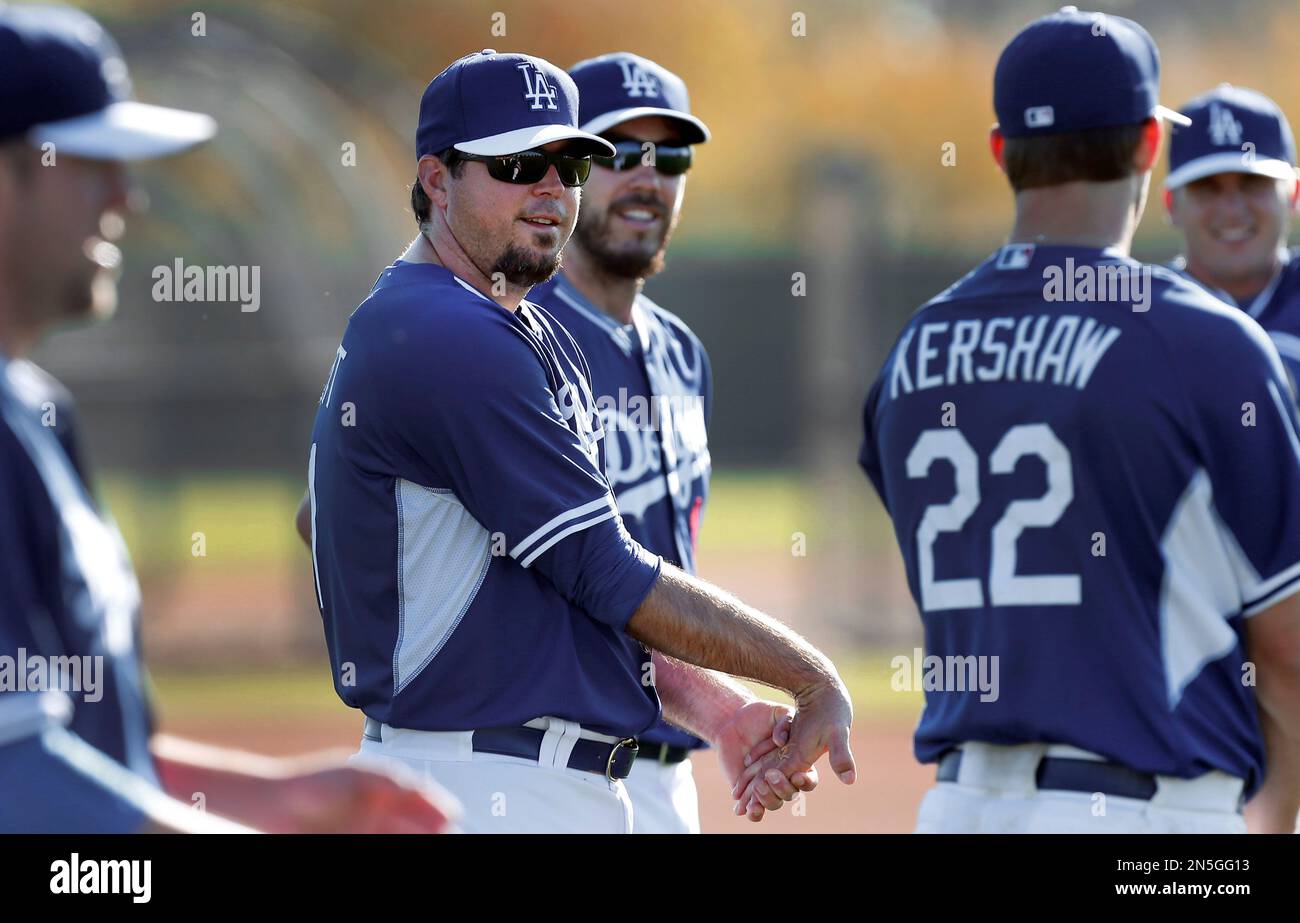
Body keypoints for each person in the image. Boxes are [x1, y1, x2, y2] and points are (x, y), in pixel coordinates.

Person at [299, 49, 854, 833]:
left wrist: (720, 708)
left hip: (538, 770)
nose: (551, 189)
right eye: (521, 162)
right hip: (484, 778)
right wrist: (810, 674)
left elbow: (578, 589)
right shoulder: (446, 332)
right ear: (436, 179)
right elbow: (604, 569)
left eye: (569, 164)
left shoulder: (501, 323)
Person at [0, 4, 456, 834]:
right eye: (93, 161)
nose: (127, 198)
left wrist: (282, 798)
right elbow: (19, 783)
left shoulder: (33, 414)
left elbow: (86, 756)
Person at [856, 7, 1300, 833]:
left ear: (999, 152)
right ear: (1147, 146)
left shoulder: (916, 348)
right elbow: (1286, 650)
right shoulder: (1202, 339)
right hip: (1144, 815)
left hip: (957, 804)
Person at [525, 51, 714, 834]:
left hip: (668, 774)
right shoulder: (513, 332)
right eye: (617, 153)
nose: (648, 176)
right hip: (545, 763)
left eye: (669, 156)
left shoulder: (682, 350)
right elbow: (329, 508)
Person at [1165, 84, 1300, 382]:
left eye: (1253, 183)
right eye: (1207, 187)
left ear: (1294, 193)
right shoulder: (1142, 313)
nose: (1232, 210)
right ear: (1171, 204)